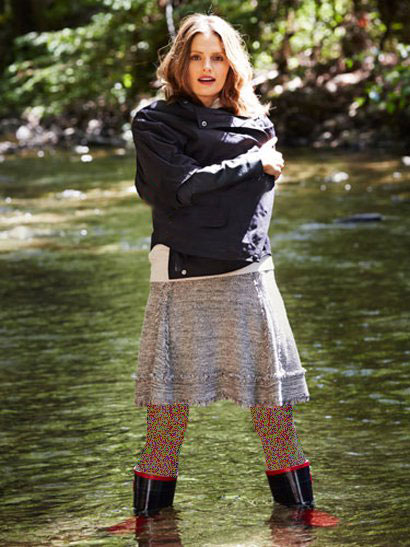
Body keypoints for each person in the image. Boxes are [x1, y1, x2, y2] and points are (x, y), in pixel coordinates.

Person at [129, 12, 339, 527]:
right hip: (180, 277)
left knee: (274, 414)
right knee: (166, 420)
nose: (206, 67)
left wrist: (205, 189)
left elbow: (245, 210)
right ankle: (150, 528)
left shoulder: (257, 125)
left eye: (217, 58)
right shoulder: (153, 123)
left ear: (231, 64)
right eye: (196, 57)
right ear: (179, 64)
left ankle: (299, 521)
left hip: (248, 274)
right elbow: (179, 189)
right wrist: (247, 167)